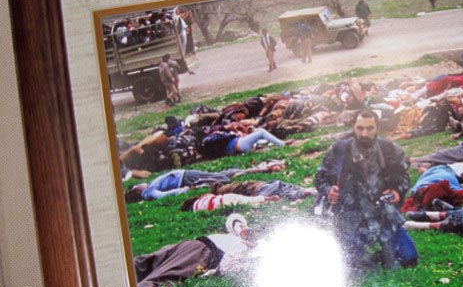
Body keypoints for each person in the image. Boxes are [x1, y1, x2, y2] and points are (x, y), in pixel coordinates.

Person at [315, 109, 412, 269]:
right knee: (353, 266)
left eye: (369, 128)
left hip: (383, 216)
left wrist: (397, 190)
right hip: (350, 219)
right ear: (353, 127)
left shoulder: (389, 150)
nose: (364, 133)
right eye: (360, 128)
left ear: (377, 128)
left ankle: (382, 252)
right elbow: (320, 177)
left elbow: (404, 176)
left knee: (408, 258)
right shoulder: (339, 150)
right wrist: (328, 191)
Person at [134, 213, 259, 287]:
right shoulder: (234, 234)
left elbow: (228, 265)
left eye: (249, 233)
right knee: (147, 261)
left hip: (201, 253)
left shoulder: (243, 247)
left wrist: (214, 272)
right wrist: (240, 226)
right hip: (191, 245)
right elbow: (233, 219)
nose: (245, 231)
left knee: (163, 277)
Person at [124, 162, 284, 202]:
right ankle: (262, 169)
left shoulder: (149, 187)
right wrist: (183, 190)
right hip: (184, 178)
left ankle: (259, 169)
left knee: (219, 175)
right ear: (137, 191)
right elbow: (161, 196)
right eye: (137, 185)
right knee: (221, 178)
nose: (141, 183)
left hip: (184, 175)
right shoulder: (148, 192)